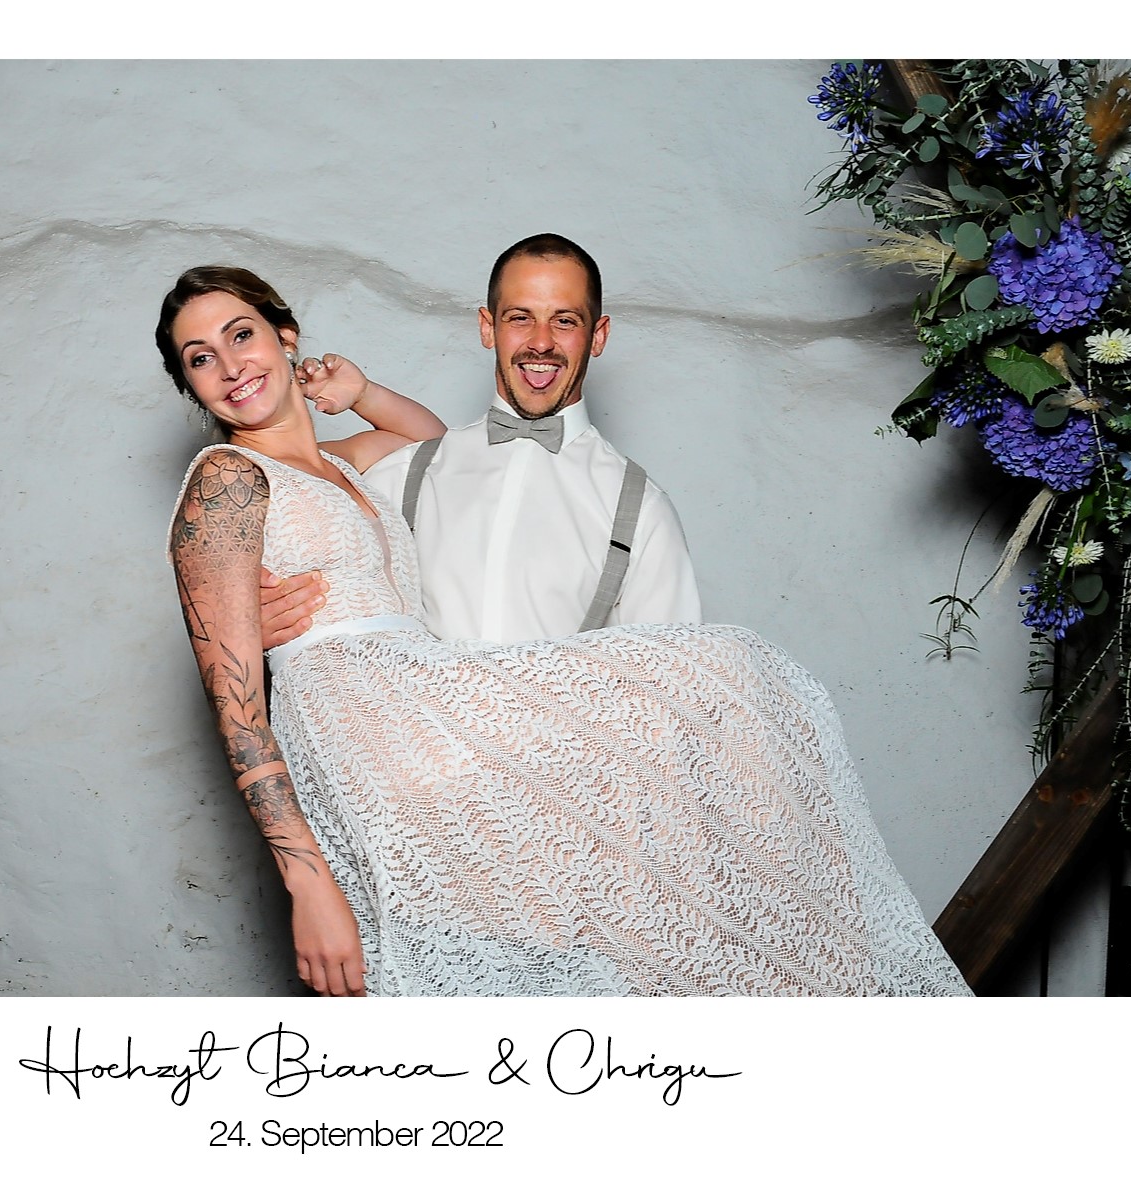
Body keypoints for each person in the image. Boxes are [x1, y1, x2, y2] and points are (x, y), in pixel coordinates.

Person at [159, 263, 970, 997]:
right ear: (191, 386)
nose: (229, 366)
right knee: (722, 674)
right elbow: (235, 705)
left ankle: (825, 981)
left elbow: (440, 448)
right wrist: (306, 881)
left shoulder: (349, 465)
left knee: (704, 790)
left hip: (435, 719)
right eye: (200, 358)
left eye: (242, 336)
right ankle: (826, 982)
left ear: (286, 337)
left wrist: (362, 391)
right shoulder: (228, 477)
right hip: (374, 739)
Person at [261, 233, 699, 648]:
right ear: (487, 328)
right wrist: (254, 624)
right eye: (520, 318)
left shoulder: (641, 510)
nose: (541, 342)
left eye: (564, 321)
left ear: (598, 336)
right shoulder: (403, 474)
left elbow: (670, 681)